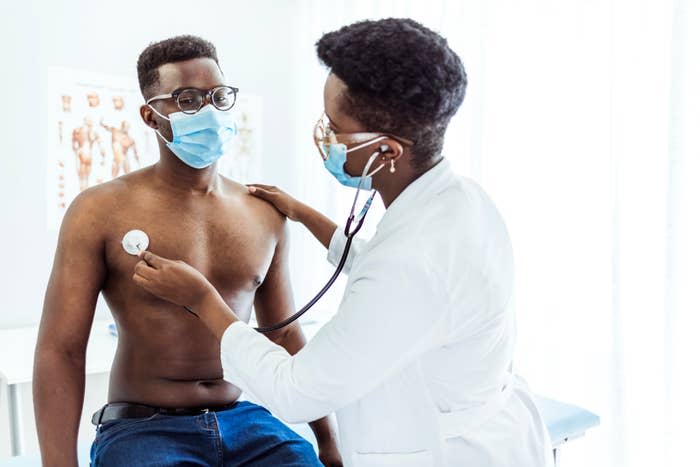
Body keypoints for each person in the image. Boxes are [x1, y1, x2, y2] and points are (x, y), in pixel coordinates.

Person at [133, 19, 554, 467]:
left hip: (446, 450)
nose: (324, 136)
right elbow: (384, 267)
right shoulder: (461, 200)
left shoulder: (412, 261)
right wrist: (305, 214)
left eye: (334, 127)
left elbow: (295, 392)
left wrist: (202, 300)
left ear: (386, 152)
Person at [33, 35, 341, 466]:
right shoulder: (98, 210)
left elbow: (285, 334)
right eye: (188, 99)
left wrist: (327, 439)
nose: (209, 111)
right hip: (144, 427)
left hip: (246, 419)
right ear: (151, 115)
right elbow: (61, 350)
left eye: (218, 96)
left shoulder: (264, 213)